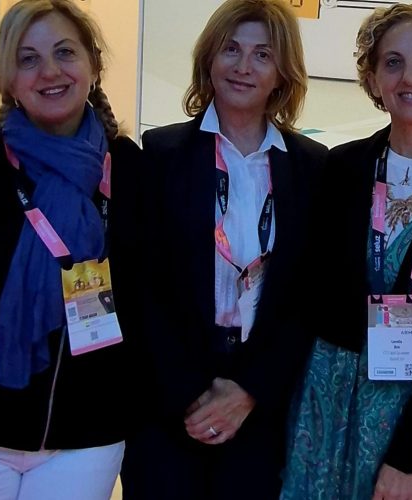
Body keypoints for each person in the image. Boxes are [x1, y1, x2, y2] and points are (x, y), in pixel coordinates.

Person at [120, 1, 328, 499]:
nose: (243, 66)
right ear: (210, 59)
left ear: (282, 74)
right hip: (170, 402)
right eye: (231, 49)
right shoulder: (160, 153)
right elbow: (143, 287)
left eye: (262, 54)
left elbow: (308, 295)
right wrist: (191, 394)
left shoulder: (311, 166)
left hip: (261, 402)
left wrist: (250, 390)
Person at [281, 2, 412, 499]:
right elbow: (308, 294)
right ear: (372, 80)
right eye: (392, 62)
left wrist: (410, 455)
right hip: (331, 404)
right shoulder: (341, 169)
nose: (410, 76)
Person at [0, 0, 145, 498]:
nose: (49, 71)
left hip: (87, 435)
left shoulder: (134, 171)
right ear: (9, 79)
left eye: (64, 52)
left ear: (94, 65)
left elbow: (156, 300)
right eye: (28, 58)